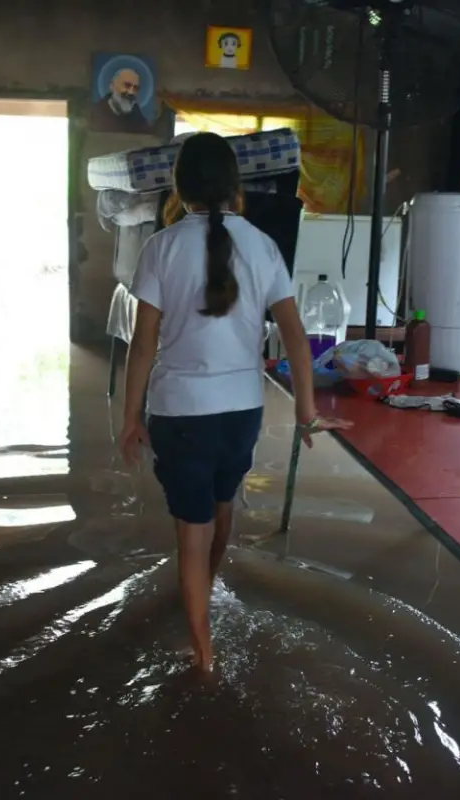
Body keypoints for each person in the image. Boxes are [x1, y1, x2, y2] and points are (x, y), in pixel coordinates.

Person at [118, 133, 350, 674]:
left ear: (180, 187)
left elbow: (143, 343)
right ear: (235, 187)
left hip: (180, 415)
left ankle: (202, 655)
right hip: (241, 414)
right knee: (223, 512)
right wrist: (304, 410)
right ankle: (208, 595)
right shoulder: (264, 245)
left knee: (191, 541)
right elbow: (295, 334)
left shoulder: (162, 247)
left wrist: (130, 418)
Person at [89, 67, 153, 134]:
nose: (131, 92)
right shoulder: (94, 114)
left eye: (135, 88)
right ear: (112, 85)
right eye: (127, 85)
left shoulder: (139, 119)